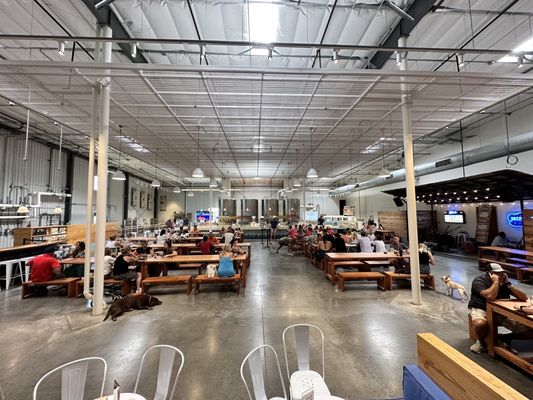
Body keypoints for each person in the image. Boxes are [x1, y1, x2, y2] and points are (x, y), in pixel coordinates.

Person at [468, 263, 528, 354]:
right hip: (481, 308)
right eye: (498, 273)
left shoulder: (504, 283)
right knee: (480, 324)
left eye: (502, 273)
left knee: (528, 331)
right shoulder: (479, 281)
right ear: (490, 274)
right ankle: (482, 342)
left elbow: (524, 297)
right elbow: (490, 296)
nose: (501, 275)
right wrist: (495, 282)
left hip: (499, 311)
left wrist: (508, 284)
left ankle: (503, 338)